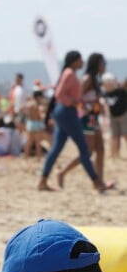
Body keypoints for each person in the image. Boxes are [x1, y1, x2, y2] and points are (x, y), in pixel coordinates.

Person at [38, 51, 108, 192]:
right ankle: (96, 181)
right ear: (74, 61)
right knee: (84, 149)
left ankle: (43, 180)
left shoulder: (69, 73)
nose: (82, 62)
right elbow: (59, 94)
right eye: (80, 60)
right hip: (67, 112)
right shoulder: (70, 74)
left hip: (64, 112)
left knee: (57, 149)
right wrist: (75, 103)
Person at [56, 53, 112, 189]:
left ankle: (100, 181)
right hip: (87, 118)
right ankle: (62, 172)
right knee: (88, 151)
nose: (105, 65)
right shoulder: (87, 79)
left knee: (101, 149)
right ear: (97, 64)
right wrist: (88, 105)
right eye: (103, 62)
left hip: (94, 118)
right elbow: (77, 97)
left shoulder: (94, 79)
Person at [102, 72, 127, 159]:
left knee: (125, 135)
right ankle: (114, 155)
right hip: (113, 116)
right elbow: (104, 104)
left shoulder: (120, 91)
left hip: (123, 115)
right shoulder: (105, 93)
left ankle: (115, 154)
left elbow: (125, 84)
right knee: (114, 136)